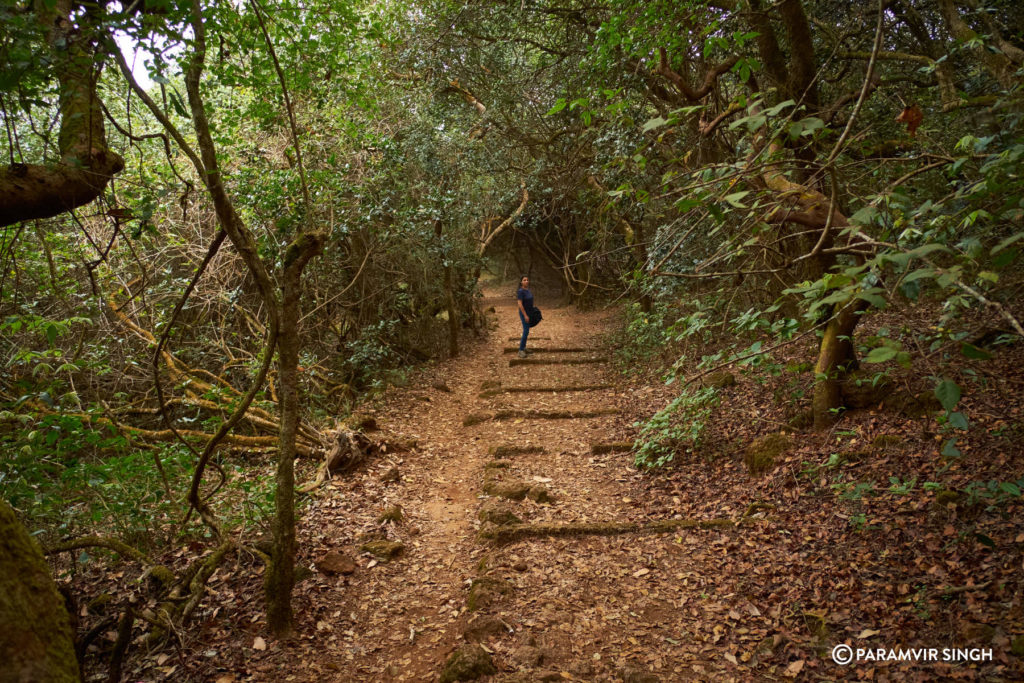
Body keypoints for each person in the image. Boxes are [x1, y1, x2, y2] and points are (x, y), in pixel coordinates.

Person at [516, 275, 533, 358]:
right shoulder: (520, 291)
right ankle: (520, 350)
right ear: (521, 282)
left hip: (529, 312)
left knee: (527, 331)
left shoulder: (528, 290)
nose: (526, 281)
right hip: (524, 313)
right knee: (526, 331)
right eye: (524, 280)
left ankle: (524, 347)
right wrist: (525, 315)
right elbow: (520, 304)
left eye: (527, 280)